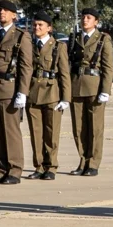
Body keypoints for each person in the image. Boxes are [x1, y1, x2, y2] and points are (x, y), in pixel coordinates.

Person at [0, 0, 32, 185]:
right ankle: (0, 168)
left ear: (14, 15)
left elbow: (26, 67)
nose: (2, 12)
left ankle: (15, 169)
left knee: (10, 132)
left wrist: (22, 92)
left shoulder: (21, 36)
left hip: (9, 88)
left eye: (6, 10)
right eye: (0, 10)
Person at [25, 11, 71, 181]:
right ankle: (38, 166)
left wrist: (66, 98)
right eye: (35, 25)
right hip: (33, 93)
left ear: (49, 28)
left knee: (51, 132)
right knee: (36, 132)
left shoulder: (58, 46)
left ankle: (51, 166)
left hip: (52, 93)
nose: (36, 28)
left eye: (40, 25)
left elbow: (64, 73)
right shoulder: (29, 44)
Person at [69, 8, 113, 176]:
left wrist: (105, 89)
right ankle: (82, 160)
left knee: (95, 128)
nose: (85, 20)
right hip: (76, 86)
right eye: (83, 17)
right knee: (79, 128)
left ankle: (93, 163)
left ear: (96, 21)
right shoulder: (75, 38)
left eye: (89, 17)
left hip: (94, 87)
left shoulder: (103, 39)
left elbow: (108, 67)